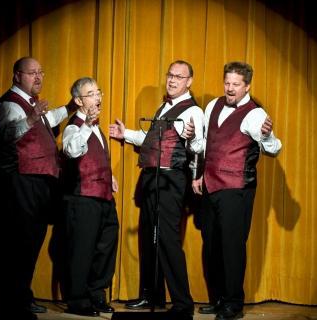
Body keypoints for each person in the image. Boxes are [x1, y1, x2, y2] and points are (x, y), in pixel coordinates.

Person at [109, 60, 204, 318]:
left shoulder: (193, 111)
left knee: (167, 240)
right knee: (149, 240)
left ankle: (183, 304)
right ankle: (152, 296)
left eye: (179, 77)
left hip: (171, 182)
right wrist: (125, 133)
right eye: (170, 75)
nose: (172, 80)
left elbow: (199, 147)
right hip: (151, 179)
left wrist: (192, 138)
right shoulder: (164, 106)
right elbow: (152, 141)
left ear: (189, 81)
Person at [192, 61, 282, 320]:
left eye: (236, 85)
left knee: (232, 247)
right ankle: (218, 298)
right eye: (227, 83)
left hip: (236, 189)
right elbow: (205, 145)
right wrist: (198, 175)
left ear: (247, 86)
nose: (230, 89)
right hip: (210, 185)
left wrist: (266, 136)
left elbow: (273, 149)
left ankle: (233, 304)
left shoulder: (255, 114)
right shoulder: (212, 106)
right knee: (212, 245)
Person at [0, 56, 69, 320]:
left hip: (39, 183)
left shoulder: (32, 105)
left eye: (41, 72)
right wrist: (31, 119)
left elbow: (51, 118)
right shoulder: (9, 105)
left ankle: (22, 297)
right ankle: (14, 303)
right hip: (20, 181)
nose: (38, 77)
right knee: (20, 243)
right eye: (32, 73)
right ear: (17, 76)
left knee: (32, 242)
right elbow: (3, 135)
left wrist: (69, 106)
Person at [55, 77, 119, 317]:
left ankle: (96, 294)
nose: (98, 97)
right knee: (82, 250)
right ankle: (78, 300)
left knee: (106, 247)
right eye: (91, 94)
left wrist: (109, 176)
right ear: (79, 100)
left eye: (98, 92)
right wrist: (86, 125)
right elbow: (71, 150)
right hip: (83, 199)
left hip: (104, 198)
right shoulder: (75, 126)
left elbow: (96, 156)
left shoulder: (96, 127)